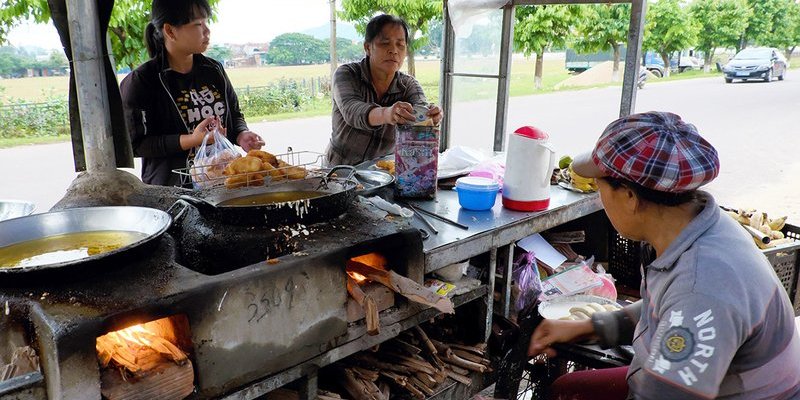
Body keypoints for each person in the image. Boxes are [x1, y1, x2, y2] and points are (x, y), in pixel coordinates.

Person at [528, 112, 800, 400]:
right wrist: (590, 327)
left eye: (600, 188)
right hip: (703, 382)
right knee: (566, 391)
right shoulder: (695, 228)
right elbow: (664, 308)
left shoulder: (702, 286)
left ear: (630, 197)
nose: (600, 198)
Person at [121, 0, 264, 186]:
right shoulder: (143, 81)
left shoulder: (214, 70)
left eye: (206, 22)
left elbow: (234, 115)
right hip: (173, 193)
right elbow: (136, 145)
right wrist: (191, 140)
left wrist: (241, 134)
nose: (207, 31)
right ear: (170, 31)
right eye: (198, 24)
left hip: (222, 184)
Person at [326, 14, 442, 166]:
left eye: (400, 45)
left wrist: (430, 117)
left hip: (383, 171)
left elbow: (421, 109)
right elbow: (352, 111)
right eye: (385, 43)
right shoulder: (347, 74)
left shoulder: (409, 85)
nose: (393, 50)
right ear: (368, 47)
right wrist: (388, 114)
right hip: (340, 170)